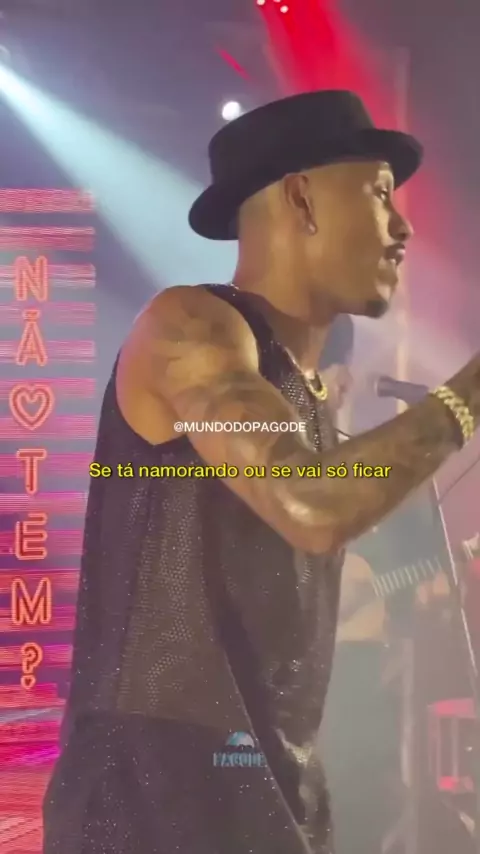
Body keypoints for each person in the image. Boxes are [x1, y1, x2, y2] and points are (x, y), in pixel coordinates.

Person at [42, 90, 480, 854]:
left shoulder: (310, 408)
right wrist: (467, 395)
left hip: (269, 789)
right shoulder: (189, 326)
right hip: (151, 802)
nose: (402, 227)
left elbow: (320, 565)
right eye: (380, 194)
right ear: (303, 197)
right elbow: (309, 503)